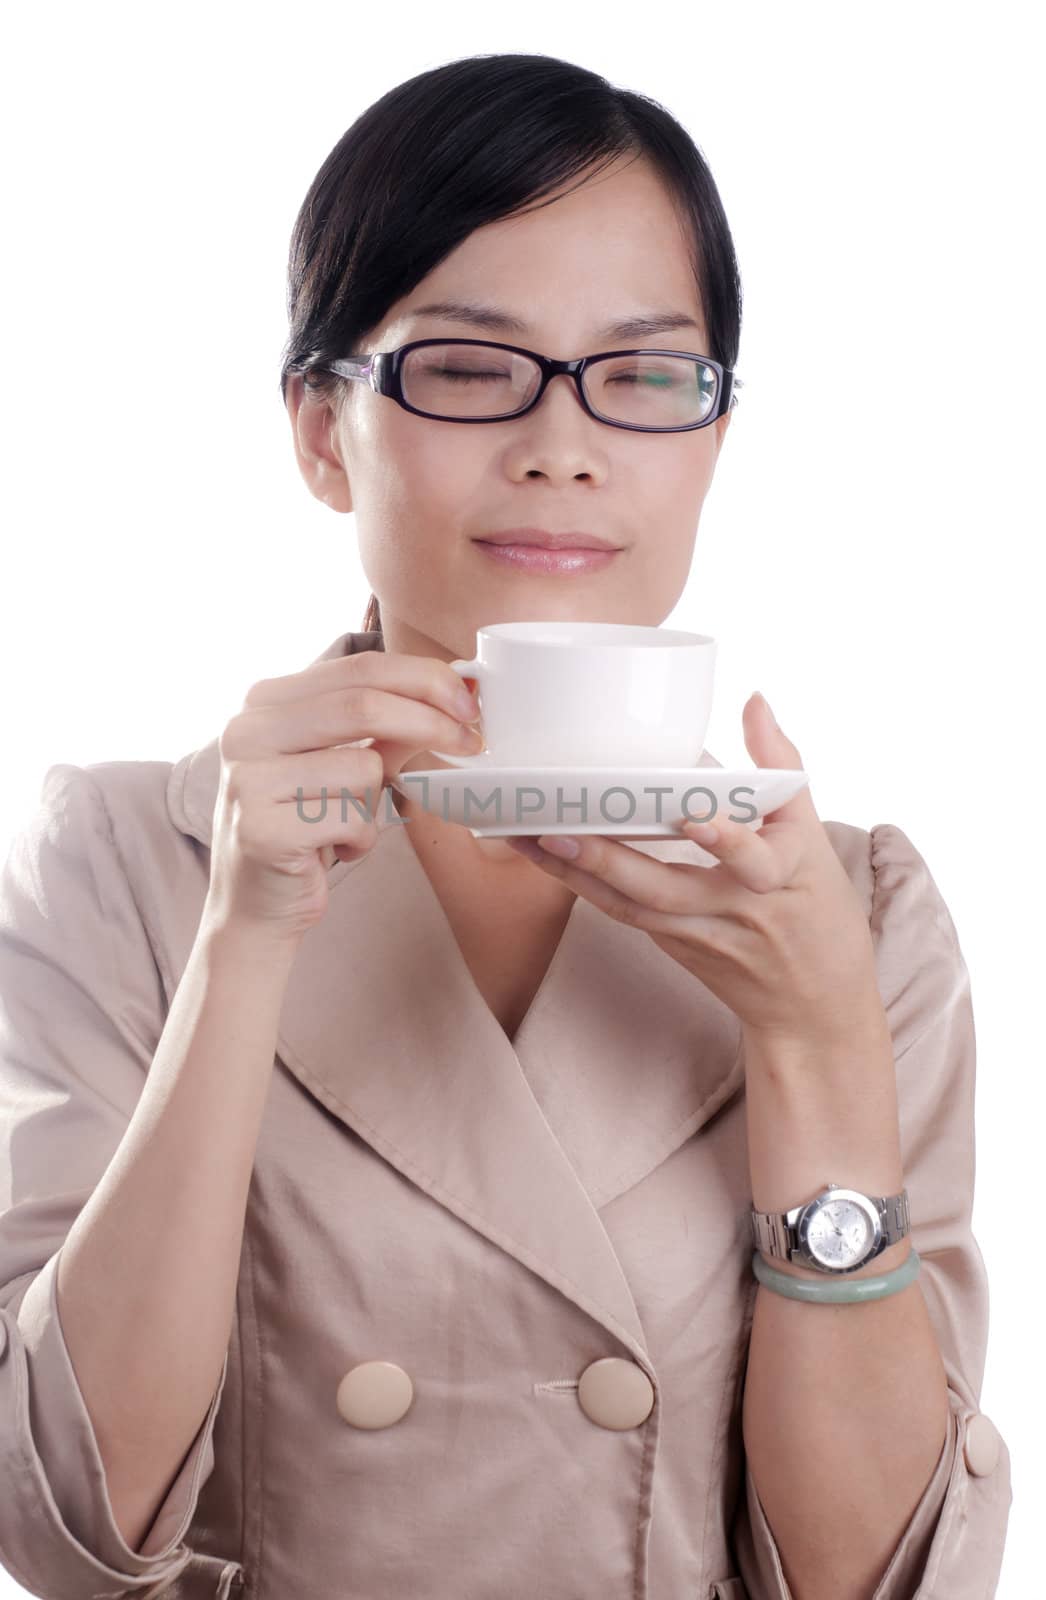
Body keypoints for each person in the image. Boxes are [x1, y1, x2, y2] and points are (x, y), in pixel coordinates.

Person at [0, 51, 1011, 1600]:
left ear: (711, 442)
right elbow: (66, 1531)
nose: (563, 444)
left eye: (644, 374)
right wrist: (248, 935)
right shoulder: (135, 856)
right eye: (468, 367)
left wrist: (816, 1038)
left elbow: (874, 1579)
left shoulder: (848, 907)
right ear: (320, 433)